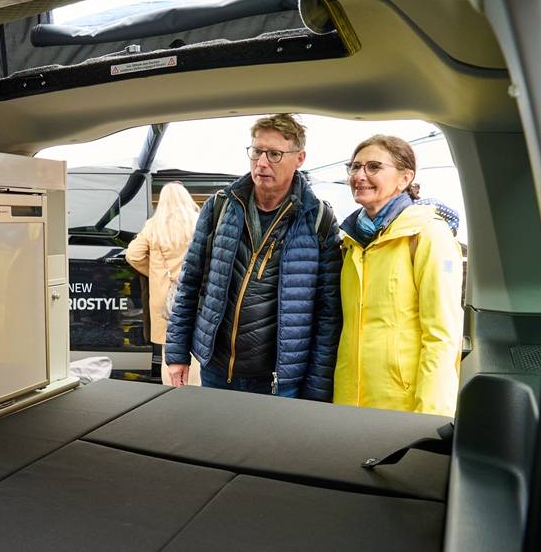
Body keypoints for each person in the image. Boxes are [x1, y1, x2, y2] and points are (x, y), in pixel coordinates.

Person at [165, 114, 342, 399]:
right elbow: (190, 283)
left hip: (278, 381)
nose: (261, 163)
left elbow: (327, 314)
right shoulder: (221, 206)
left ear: (300, 158)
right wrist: (177, 353)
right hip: (216, 370)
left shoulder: (318, 219)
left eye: (274, 154)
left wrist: (316, 392)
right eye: (257, 151)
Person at [333, 135, 463, 417]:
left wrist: (430, 416)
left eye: (373, 167)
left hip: (403, 409)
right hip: (348, 404)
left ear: (405, 178)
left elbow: (442, 336)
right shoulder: (350, 242)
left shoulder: (428, 234)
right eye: (354, 167)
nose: (359, 176)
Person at [127, 182, 202, 385]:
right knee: (195, 348)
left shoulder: (153, 225)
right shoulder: (198, 222)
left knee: (169, 350)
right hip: (194, 294)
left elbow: (133, 255)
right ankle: (195, 394)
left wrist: (155, 273)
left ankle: (171, 393)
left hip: (164, 299)